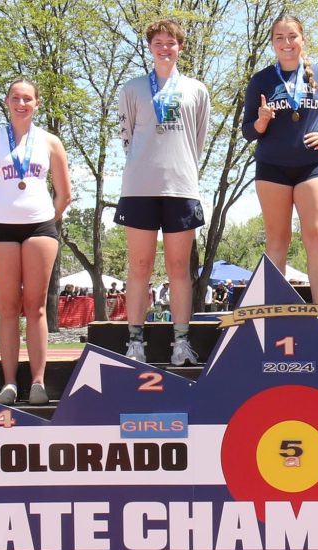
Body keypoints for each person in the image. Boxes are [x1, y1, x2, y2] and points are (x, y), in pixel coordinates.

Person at [242, 13, 318, 304]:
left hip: (312, 166)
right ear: (272, 43)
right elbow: (248, 132)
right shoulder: (261, 80)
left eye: (292, 36)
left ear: (302, 39)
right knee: (277, 241)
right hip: (272, 169)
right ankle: (275, 310)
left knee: (316, 237)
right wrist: (262, 121)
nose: (286, 43)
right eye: (279, 38)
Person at [116, 19, 210, 366]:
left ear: (180, 48)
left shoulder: (197, 90)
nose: (164, 48)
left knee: (178, 268)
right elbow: (127, 137)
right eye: (158, 42)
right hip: (140, 188)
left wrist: (177, 166)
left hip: (181, 187)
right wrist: (148, 162)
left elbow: (196, 139)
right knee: (139, 265)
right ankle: (135, 342)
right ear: (150, 47)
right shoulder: (133, 88)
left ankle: (181, 343)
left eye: (171, 42)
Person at [0, 78, 72, 406]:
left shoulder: (50, 142)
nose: (21, 103)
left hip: (40, 229)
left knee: (36, 307)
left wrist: (44, 220)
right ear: (6, 101)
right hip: (1, 230)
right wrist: (2, 215)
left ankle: (38, 383)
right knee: (7, 307)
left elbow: (65, 193)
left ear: (36, 104)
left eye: (28, 98)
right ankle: (9, 383)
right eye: (15, 97)